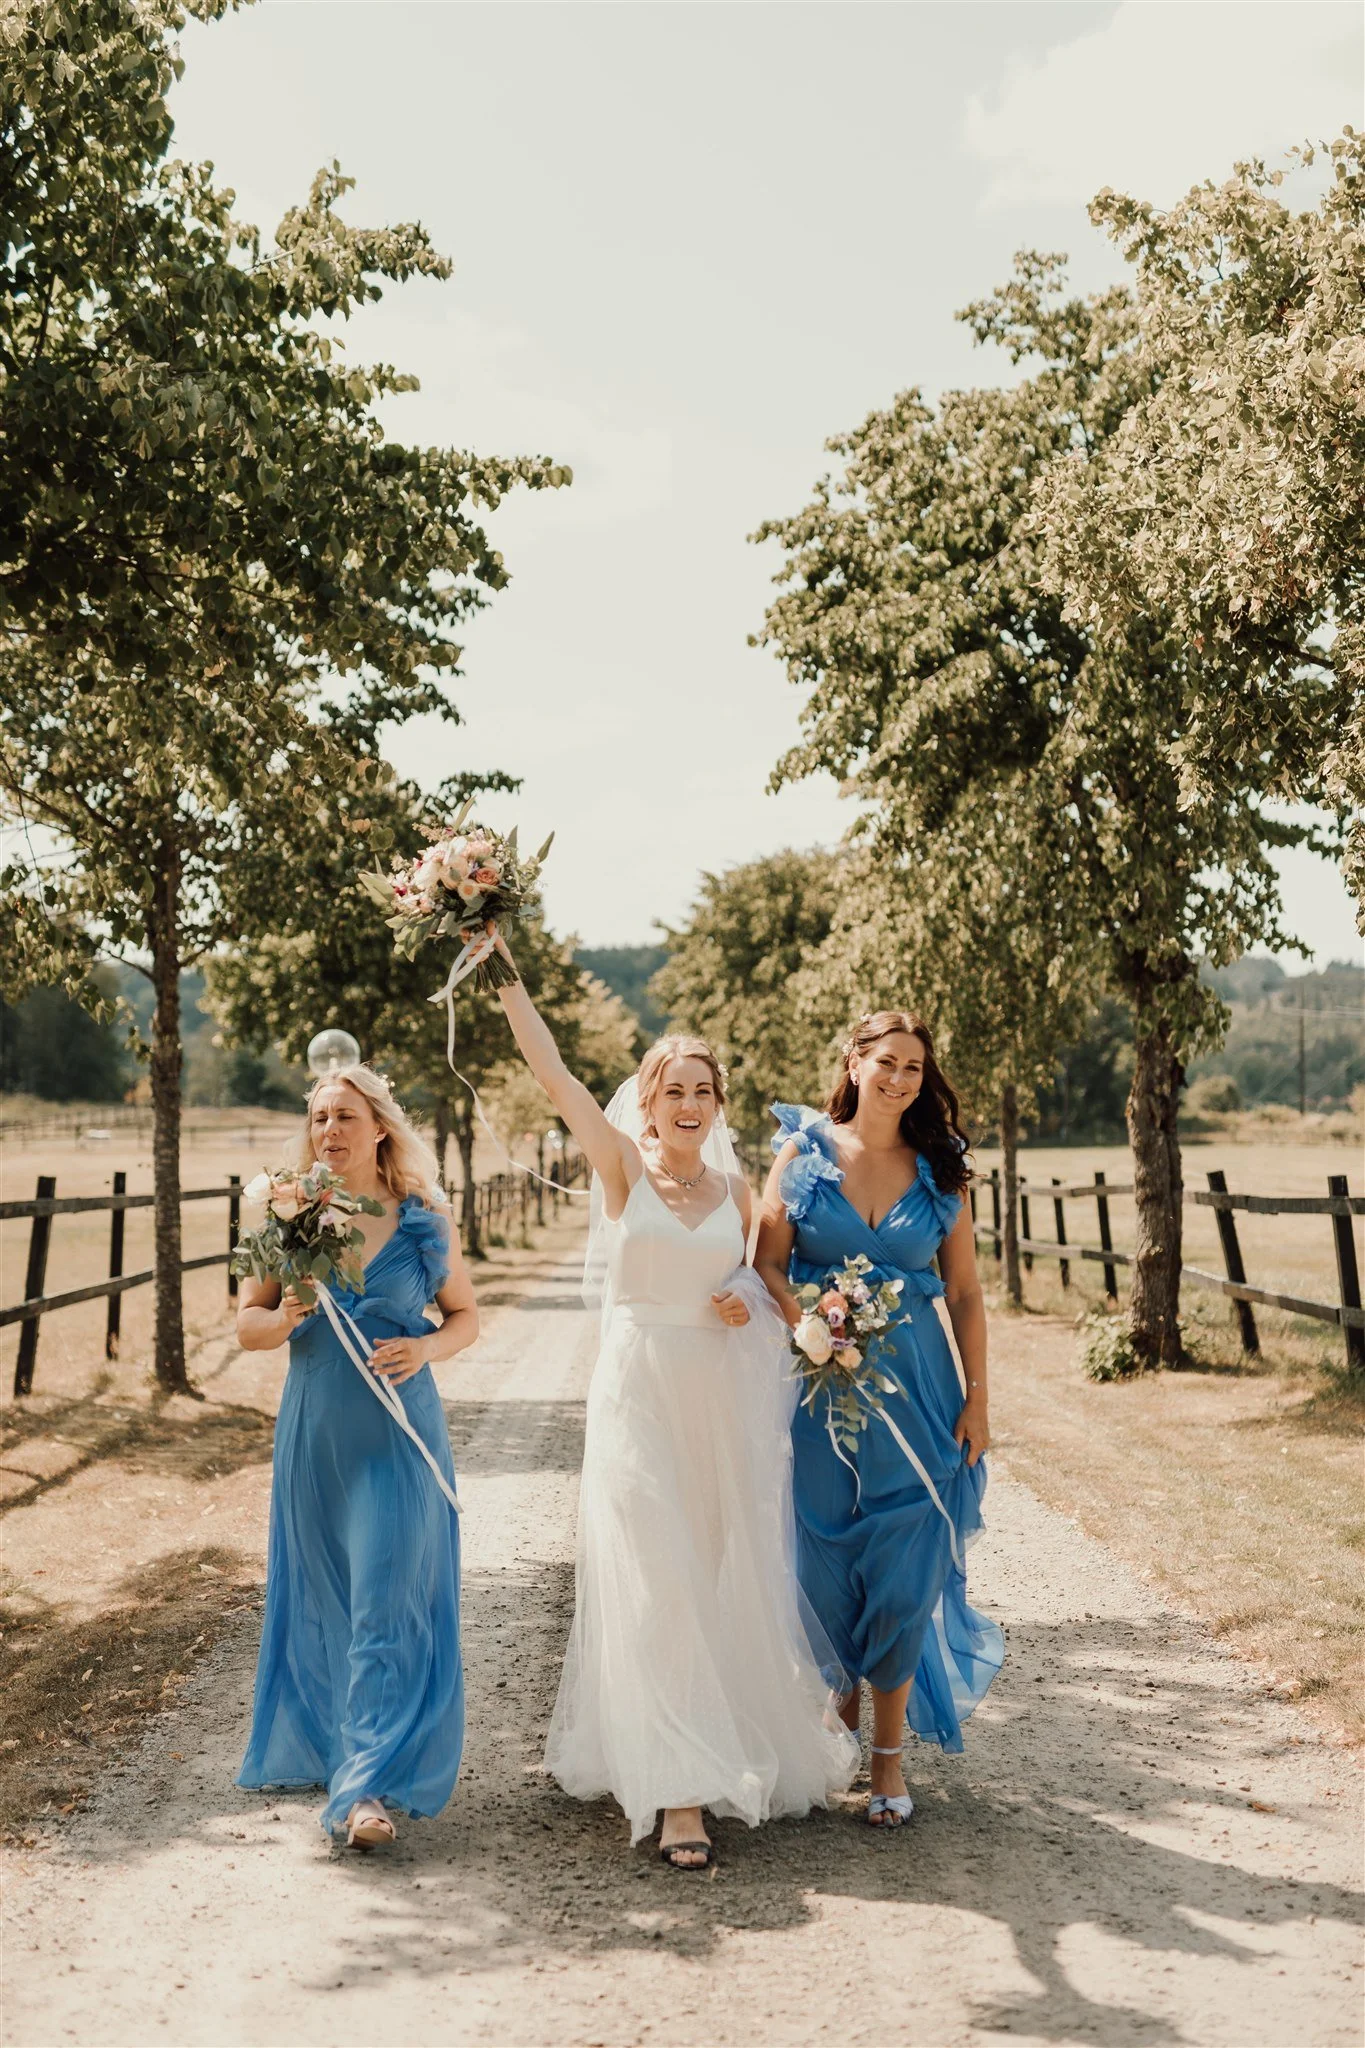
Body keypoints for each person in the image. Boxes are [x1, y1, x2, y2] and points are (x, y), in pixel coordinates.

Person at [491, 933, 857, 1869]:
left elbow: (765, 1289)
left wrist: (744, 1300)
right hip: (637, 1390)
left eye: (702, 1090)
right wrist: (498, 966)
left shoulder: (736, 1191)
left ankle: (703, 1741)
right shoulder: (621, 1167)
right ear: (647, 1102)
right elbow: (553, 1074)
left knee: (705, 1574)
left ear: (717, 1104)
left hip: (714, 1403)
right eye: (672, 1090)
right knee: (656, 1582)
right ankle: (679, 1795)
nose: (688, 1104)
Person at [754, 1011, 1004, 1828]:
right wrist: (808, 1323)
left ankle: (888, 1761)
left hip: (919, 1394)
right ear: (853, 1063)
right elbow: (765, 1262)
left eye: (913, 1068)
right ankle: (836, 1732)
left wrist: (976, 1397)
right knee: (824, 1563)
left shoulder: (940, 1168)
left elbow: (963, 1291)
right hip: (816, 1396)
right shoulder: (802, 1153)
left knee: (904, 1570)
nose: (899, 1079)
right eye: (886, 1062)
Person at [236, 1064, 478, 1849]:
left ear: (379, 1127)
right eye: (318, 1118)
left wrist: (425, 1346)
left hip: (398, 1436)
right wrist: (287, 1317)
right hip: (316, 1434)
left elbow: (465, 1316)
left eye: (344, 1116)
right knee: (329, 1601)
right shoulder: (288, 1216)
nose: (329, 1130)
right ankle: (350, 1751)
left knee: (381, 1600)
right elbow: (246, 1325)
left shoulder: (423, 1219)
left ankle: (362, 1791)